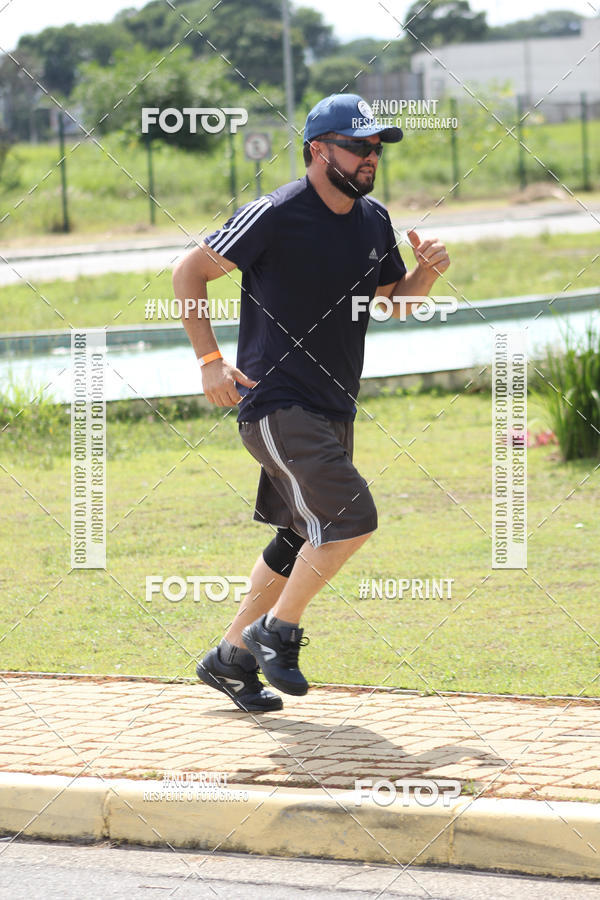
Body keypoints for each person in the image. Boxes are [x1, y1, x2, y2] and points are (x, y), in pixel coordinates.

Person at [173, 93, 450, 712]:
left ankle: (231, 660)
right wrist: (209, 361)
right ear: (318, 149)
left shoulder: (374, 221)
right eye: (358, 146)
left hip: (332, 406)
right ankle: (276, 631)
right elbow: (188, 273)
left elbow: (391, 302)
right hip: (274, 403)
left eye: (376, 147)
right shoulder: (274, 214)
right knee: (351, 517)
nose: (370, 157)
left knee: (301, 539)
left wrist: (426, 275)